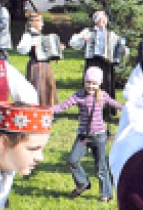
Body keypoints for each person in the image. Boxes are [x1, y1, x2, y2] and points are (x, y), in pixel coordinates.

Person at [51, 67, 123, 202]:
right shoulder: (78, 96)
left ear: (99, 83)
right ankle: (82, 183)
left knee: (101, 166)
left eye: (94, 83)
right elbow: (62, 107)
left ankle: (106, 193)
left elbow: (116, 104)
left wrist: (129, 109)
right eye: (88, 82)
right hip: (84, 136)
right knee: (72, 160)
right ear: (84, 82)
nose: (91, 86)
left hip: (99, 136)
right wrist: (47, 110)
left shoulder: (102, 96)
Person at [69, 10, 124, 100]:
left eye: (104, 19)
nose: (103, 21)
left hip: (106, 62)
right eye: (100, 19)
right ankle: (89, 104)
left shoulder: (111, 33)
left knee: (106, 82)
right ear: (96, 20)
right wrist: (82, 38)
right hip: (92, 61)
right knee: (91, 81)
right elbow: (73, 43)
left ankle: (106, 106)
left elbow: (119, 46)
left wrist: (122, 50)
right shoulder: (88, 31)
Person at [16, 12, 60, 106]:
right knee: (37, 86)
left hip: (46, 65)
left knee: (49, 86)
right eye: (40, 21)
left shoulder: (41, 35)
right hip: (35, 65)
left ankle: (49, 107)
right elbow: (20, 49)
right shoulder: (28, 35)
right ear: (32, 22)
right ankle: (37, 106)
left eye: (41, 21)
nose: (42, 24)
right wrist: (31, 45)